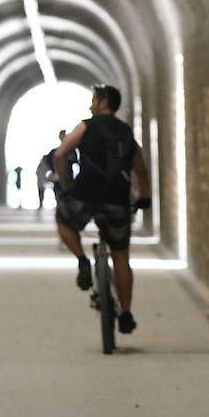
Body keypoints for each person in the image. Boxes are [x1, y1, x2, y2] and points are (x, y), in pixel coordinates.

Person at [53, 84, 151, 335]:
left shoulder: (86, 126)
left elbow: (62, 154)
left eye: (94, 100)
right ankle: (126, 313)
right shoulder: (126, 132)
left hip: (85, 194)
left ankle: (83, 260)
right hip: (118, 199)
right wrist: (144, 197)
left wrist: (67, 186)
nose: (90, 105)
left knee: (64, 220)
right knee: (121, 256)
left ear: (104, 102)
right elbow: (140, 168)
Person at [34, 129, 72, 214]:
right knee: (59, 197)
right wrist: (51, 174)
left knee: (67, 198)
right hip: (58, 179)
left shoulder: (71, 150)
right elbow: (46, 161)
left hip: (68, 178)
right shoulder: (54, 151)